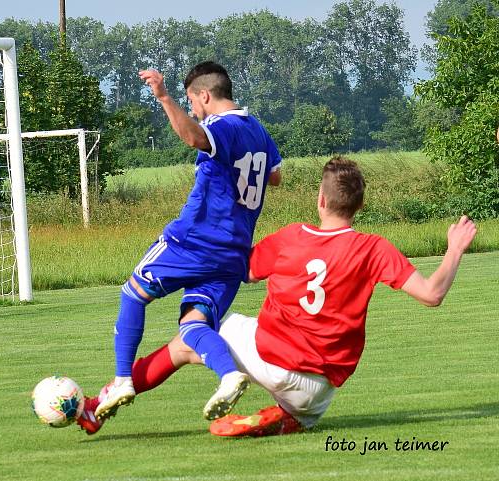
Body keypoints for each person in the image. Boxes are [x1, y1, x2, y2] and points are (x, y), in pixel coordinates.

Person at [79, 156, 477, 436]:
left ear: (321, 200)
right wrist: (454, 248)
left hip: (274, 360)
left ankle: (101, 402)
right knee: (305, 408)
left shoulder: (291, 239)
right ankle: (289, 418)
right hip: (320, 390)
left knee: (189, 339)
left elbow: (241, 270)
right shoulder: (373, 248)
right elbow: (432, 294)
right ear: (360, 205)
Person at [96, 61, 283, 423]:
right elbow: (274, 177)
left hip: (194, 240)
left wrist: (164, 97)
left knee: (133, 293)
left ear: (205, 96)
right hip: (234, 253)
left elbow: (195, 137)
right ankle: (229, 375)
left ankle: (122, 379)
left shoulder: (220, 125)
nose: (193, 109)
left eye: (191, 101)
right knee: (194, 324)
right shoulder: (257, 129)